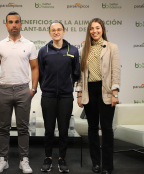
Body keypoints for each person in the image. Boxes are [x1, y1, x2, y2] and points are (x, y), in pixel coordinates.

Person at [0, 11, 39, 174]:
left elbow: (34, 68)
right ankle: (3, 160)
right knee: (3, 128)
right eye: (10, 22)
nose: (13, 25)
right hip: (3, 90)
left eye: (16, 22)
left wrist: (32, 89)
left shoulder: (29, 45)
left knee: (23, 128)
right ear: (6, 24)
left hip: (22, 90)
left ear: (21, 24)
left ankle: (23, 160)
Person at [76, 18, 121, 174]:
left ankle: (108, 166)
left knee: (107, 129)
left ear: (102, 29)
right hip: (90, 91)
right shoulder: (83, 50)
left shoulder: (112, 47)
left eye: (97, 28)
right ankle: (96, 163)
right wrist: (79, 93)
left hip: (106, 91)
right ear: (89, 31)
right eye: (91, 28)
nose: (94, 31)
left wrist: (115, 93)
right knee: (92, 128)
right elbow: (81, 75)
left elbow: (116, 72)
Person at [38, 21, 80, 173]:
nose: (56, 32)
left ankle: (62, 159)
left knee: (63, 130)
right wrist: (45, 87)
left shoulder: (73, 50)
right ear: (49, 33)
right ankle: (48, 158)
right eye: (53, 30)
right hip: (48, 96)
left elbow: (76, 73)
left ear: (64, 32)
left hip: (65, 96)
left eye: (59, 30)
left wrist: (67, 86)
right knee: (49, 130)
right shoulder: (43, 51)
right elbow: (40, 73)